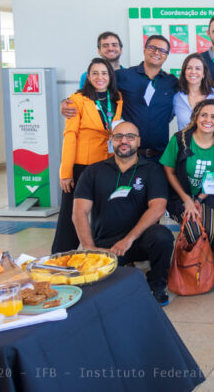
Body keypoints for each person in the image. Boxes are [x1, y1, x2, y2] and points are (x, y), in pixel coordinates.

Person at [71, 121, 174, 305]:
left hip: (139, 241)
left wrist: (128, 239)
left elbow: (158, 207)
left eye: (130, 137)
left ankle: (156, 286)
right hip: (106, 247)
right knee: (98, 296)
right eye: (118, 137)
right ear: (112, 140)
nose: (124, 141)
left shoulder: (152, 170)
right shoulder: (93, 171)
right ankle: (119, 270)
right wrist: (88, 246)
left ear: (138, 141)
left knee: (163, 236)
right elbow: (79, 212)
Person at [61, 35, 178, 162]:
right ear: (144, 50)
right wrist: (66, 102)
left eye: (162, 50)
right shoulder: (123, 76)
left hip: (160, 156)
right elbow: (94, 87)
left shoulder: (171, 82)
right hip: (128, 155)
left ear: (167, 55)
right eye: (152, 48)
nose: (156, 52)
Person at [52, 58, 123, 254]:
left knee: (103, 213)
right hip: (81, 166)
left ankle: (100, 254)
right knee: (71, 214)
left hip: (107, 164)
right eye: (95, 73)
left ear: (110, 76)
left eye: (104, 73)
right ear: (88, 77)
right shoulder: (77, 100)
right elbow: (70, 136)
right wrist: (65, 172)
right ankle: (60, 257)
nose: (100, 77)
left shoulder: (117, 99)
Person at [160, 99, 214, 269]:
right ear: (196, 117)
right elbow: (169, 171)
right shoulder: (180, 139)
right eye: (204, 115)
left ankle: (205, 262)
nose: (208, 120)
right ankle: (198, 266)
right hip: (180, 194)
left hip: (206, 193)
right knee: (195, 232)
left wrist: (199, 199)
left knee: (209, 231)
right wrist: (187, 200)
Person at [173, 53, 214, 130]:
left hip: (210, 141)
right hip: (183, 141)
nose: (193, 72)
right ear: (184, 72)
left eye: (198, 68)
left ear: (204, 74)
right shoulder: (176, 97)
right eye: (189, 68)